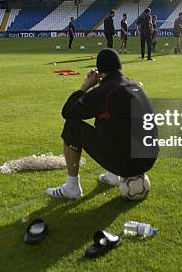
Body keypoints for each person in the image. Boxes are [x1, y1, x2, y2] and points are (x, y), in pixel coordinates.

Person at [46, 49, 159, 199]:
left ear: (101, 72)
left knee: (72, 126)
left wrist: (85, 86)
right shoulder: (135, 85)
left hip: (127, 163)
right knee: (111, 118)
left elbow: (68, 112)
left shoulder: (106, 91)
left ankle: (72, 186)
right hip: (149, 158)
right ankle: (112, 176)